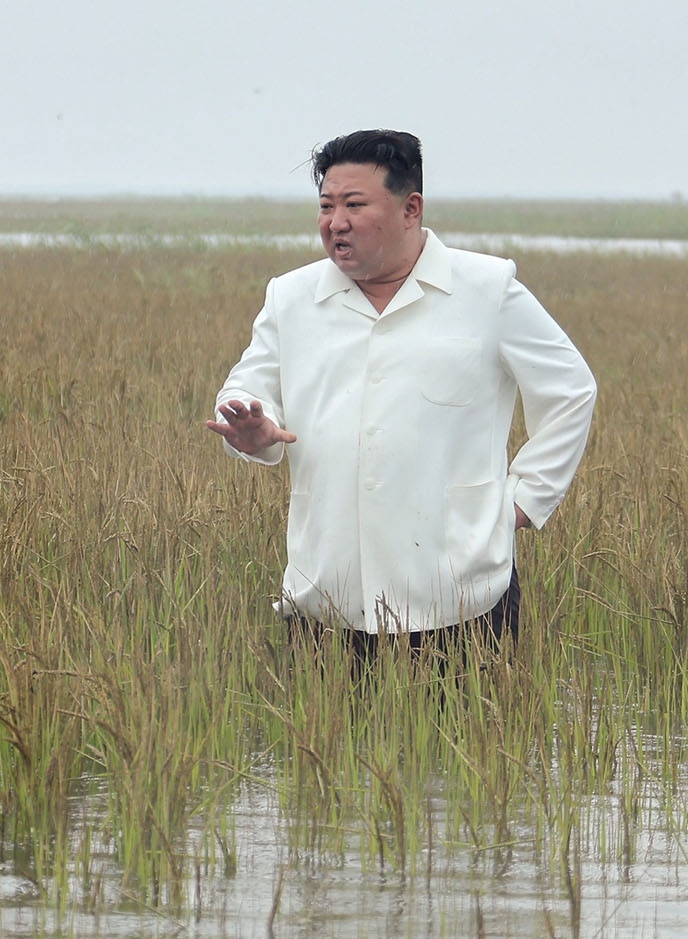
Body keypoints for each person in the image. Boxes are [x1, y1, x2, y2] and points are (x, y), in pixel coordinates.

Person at [207, 129, 597, 654]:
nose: (335, 222)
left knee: (471, 738)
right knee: (324, 739)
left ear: (410, 208)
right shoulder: (292, 297)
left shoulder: (486, 289)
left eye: (354, 204)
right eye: (326, 205)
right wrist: (254, 432)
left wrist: (525, 499)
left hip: (461, 598)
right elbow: (247, 386)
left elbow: (571, 389)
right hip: (328, 600)